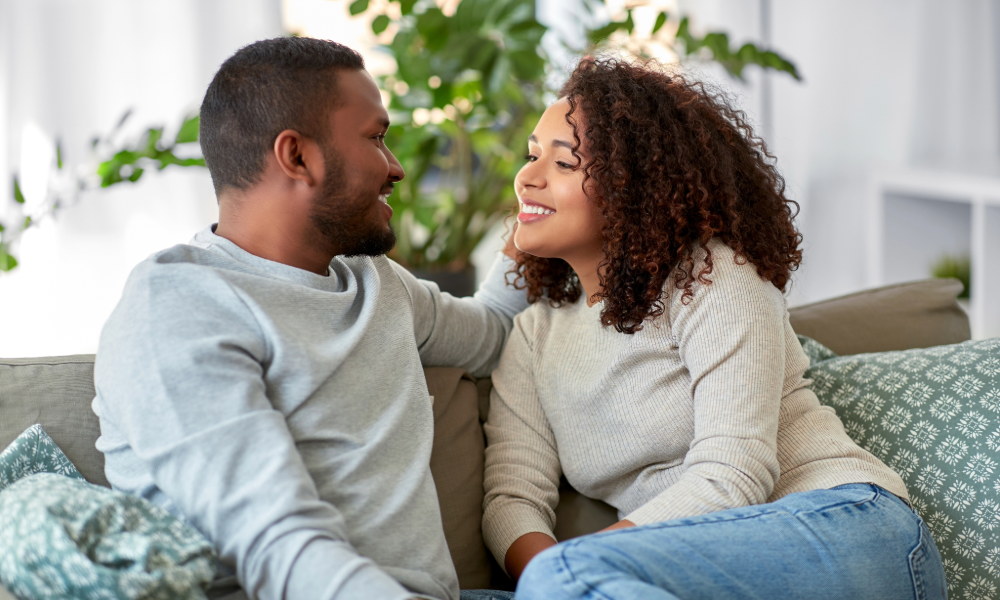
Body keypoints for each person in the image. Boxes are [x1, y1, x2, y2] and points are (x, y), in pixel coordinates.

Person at [481, 56, 947, 600]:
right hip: (690, 567)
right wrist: (551, 577)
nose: (527, 178)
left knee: (561, 578)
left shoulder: (710, 276)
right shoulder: (533, 336)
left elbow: (734, 474)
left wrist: (571, 569)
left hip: (850, 529)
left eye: (564, 163)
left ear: (636, 185)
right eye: (532, 155)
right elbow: (512, 499)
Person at [93, 37, 527, 600]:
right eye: (376, 138)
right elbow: (280, 547)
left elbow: (494, 333)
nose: (396, 168)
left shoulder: (377, 283)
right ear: (296, 156)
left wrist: (534, 224)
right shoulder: (178, 304)